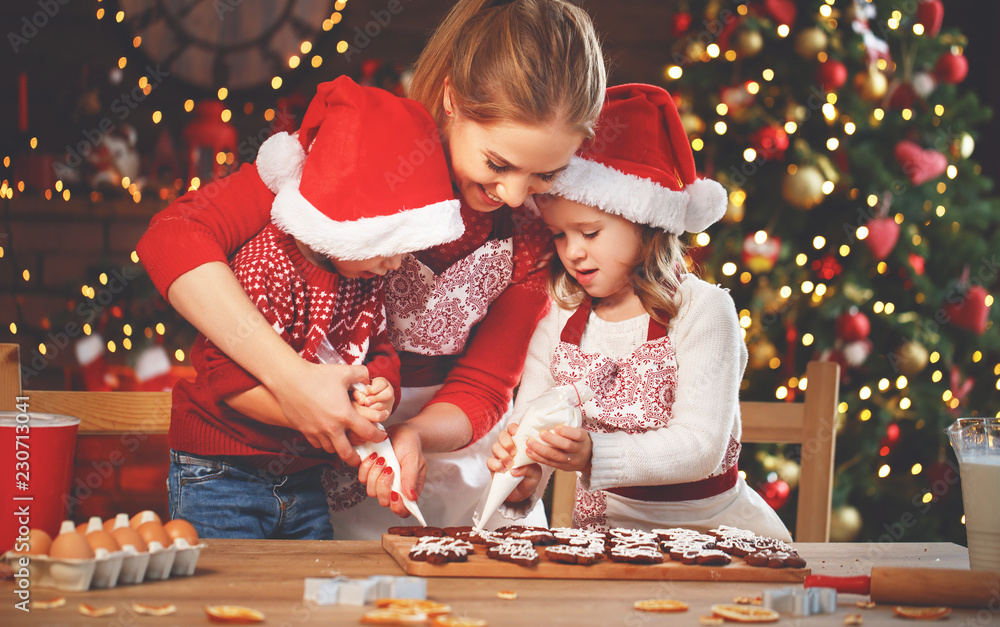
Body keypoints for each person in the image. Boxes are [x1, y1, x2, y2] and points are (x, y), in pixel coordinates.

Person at [136, 0, 606, 537]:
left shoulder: (531, 234)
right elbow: (172, 239)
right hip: (330, 469)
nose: (516, 194)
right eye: (498, 163)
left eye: (546, 173)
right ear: (452, 98)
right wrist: (291, 382)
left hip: (452, 452)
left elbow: (485, 384)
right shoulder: (351, 156)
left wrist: (412, 434)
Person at [487, 84, 792, 541]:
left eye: (590, 232)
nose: (573, 253)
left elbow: (701, 446)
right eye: (558, 235)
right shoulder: (560, 316)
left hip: (713, 531)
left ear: (646, 222)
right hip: (603, 536)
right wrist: (523, 480)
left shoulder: (704, 312)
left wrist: (594, 455)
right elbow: (531, 421)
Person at [166, 77, 463, 539]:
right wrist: (319, 414)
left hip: (304, 479)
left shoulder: (364, 275)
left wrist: (381, 386)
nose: (396, 262)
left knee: (313, 589)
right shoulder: (266, 266)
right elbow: (228, 379)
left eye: (407, 248)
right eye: (385, 243)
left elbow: (377, 346)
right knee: (222, 596)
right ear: (341, 223)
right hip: (222, 472)